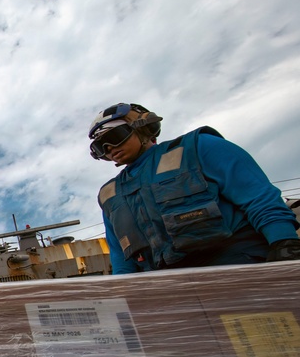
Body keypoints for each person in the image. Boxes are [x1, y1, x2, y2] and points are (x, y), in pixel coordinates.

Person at [89, 103, 300, 274]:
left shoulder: (198, 148)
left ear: (142, 127)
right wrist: (125, 292)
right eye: (100, 148)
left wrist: (283, 242)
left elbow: (257, 197)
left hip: (237, 265)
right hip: (168, 284)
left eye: (114, 137)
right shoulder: (110, 194)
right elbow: (120, 253)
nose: (109, 149)